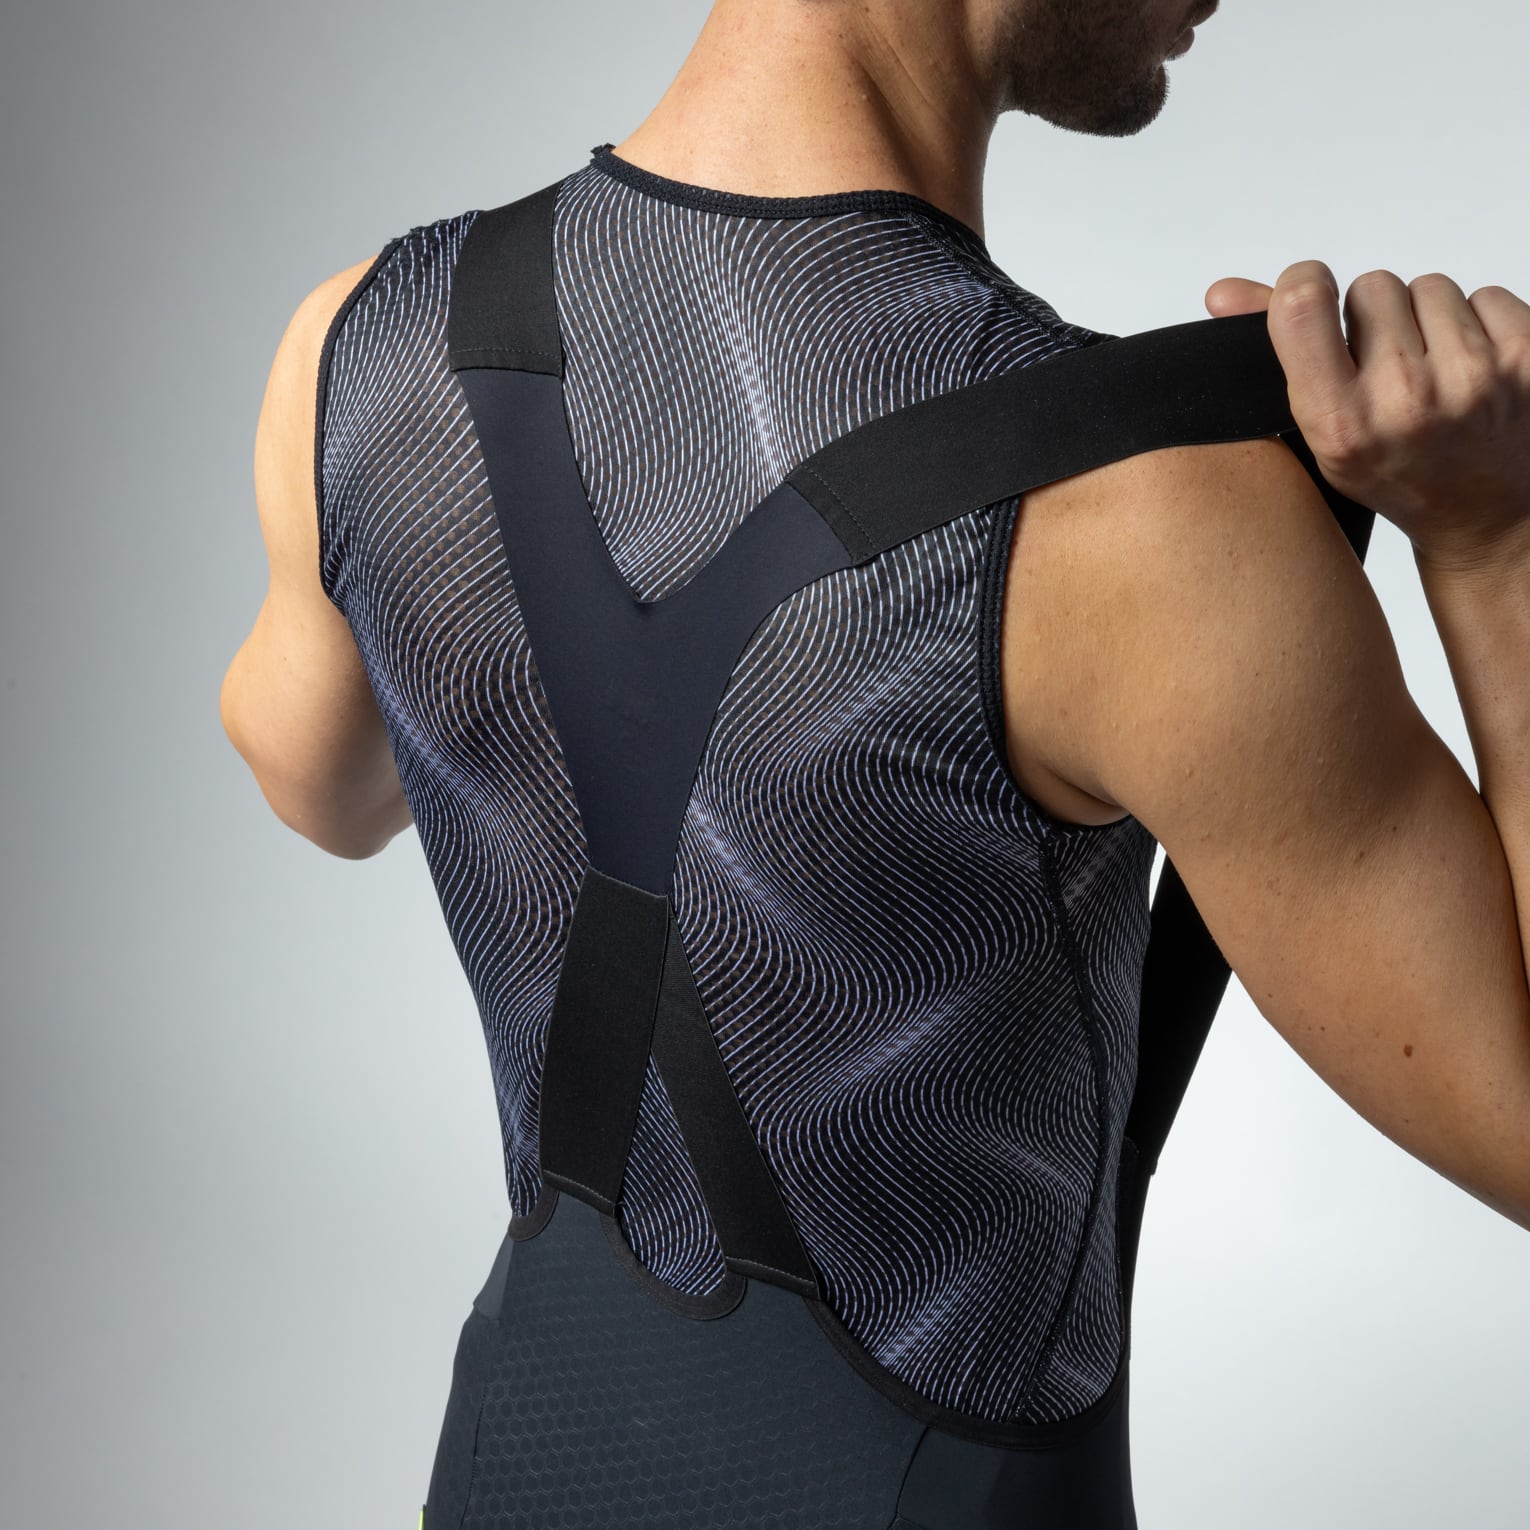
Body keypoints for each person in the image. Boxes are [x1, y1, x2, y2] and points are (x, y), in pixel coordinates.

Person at [220, 0, 1530, 1523]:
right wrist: (1494, 545)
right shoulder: (1147, 524)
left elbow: (319, 787)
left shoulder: (373, 348)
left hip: (517, 1462)